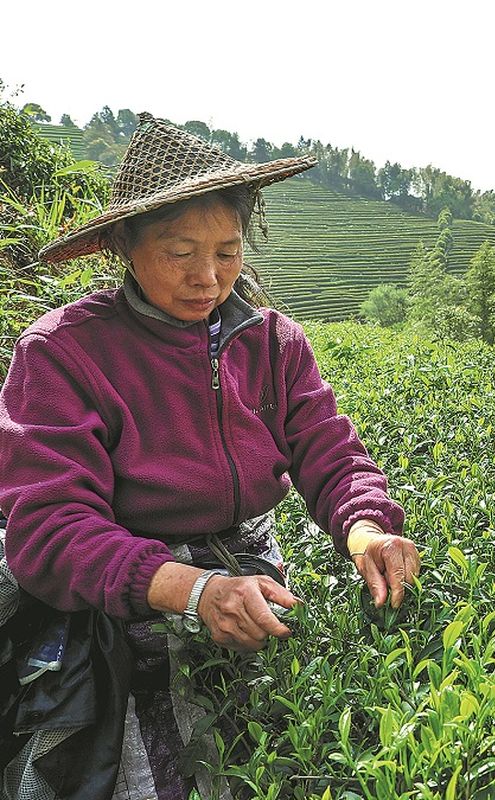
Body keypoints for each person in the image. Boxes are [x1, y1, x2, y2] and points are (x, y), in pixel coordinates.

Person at [0, 114, 418, 798]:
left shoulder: (272, 340)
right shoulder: (64, 352)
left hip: (244, 568)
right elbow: (49, 529)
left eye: (227, 252)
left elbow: (326, 449)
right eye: (180, 251)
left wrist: (365, 528)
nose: (208, 277)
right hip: (117, 582)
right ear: (125, 247)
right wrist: (191, 591)